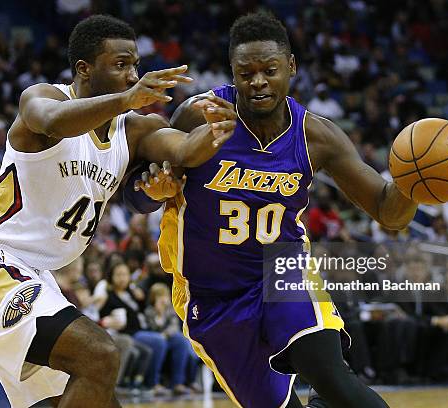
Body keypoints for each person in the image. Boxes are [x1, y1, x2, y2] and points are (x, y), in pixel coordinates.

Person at [0, 14, 236, 408]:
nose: (133, 76)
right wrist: (127, 99)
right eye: (121, 65)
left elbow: (182, 149)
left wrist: (218, 130)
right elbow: (52, 121)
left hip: (36, 274)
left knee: (90, 397)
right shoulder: (44, 97)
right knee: (100, 356)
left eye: (135, 66)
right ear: (84, 68)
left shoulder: (133, 130)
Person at [127, 11, 422, 408]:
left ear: (291, 67)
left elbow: (389, 213)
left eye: (269, 69)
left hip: (282, 271)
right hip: (210, 292)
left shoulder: (316, 135)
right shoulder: (199, 115)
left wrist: (416, 183)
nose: (258, 81)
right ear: (232, 72)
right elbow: (137, 196)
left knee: (337, 383)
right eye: (245, 72)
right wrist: (157, 193)